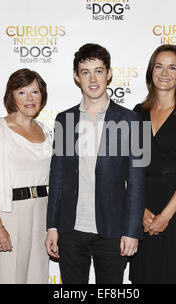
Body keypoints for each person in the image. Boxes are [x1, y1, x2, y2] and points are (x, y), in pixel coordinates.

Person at [44, 43, 145, 284]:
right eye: (85, 72)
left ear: (109, 74)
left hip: (112, 230)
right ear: (76, 77)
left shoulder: (134, 120)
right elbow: (56, 177)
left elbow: (138, 183)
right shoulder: (64, 119)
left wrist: (132, 231)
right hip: (71, 229)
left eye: (98, 71)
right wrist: (52, 226)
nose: (93, 78)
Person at [129, 44, 176, 283]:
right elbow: (129, 168)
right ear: (151, 71)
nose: (164, 73)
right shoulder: (137, 113)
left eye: (172, 67)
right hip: (144, 208)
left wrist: (166, 216)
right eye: (159, 66)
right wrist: (139, 210)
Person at [0, 69, 51, 284]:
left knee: (38, 278)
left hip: (42, 213)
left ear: (42, 96)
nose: (30, 98)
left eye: (35, 92)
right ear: (11, 96)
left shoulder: (48, 131)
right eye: (22, 92)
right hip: (8, 214)